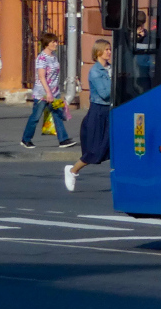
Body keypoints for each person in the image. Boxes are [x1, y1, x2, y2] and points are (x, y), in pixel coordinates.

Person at [65, 41, 110, 191]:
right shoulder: (96, 71)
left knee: (114, 148)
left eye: (110, 49)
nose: (109, 52)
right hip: (98, 112)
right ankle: (72, 170)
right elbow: (104, 94)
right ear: (98, 52)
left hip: (110, 111)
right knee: (95, 151)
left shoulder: (110, 68)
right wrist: (117, 82)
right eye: (106, 50)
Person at [20, 32, 76, 149]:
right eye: (53, 42)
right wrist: (48, 93)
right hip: (42, 93)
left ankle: (63, 139)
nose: (56, 44)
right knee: (36, 116)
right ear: (46, 44)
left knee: (57, 114)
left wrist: (55, 92)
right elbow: (41, 77)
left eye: (56, 41)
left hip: (54, 91)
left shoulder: (54, 56)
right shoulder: (42, 58)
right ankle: (26, 139)